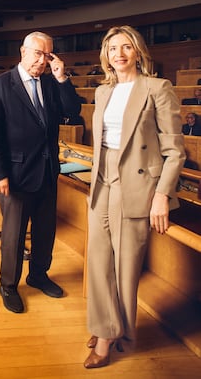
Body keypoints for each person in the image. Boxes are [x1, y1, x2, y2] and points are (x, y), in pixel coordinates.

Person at [84, 25, 185, 369]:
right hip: (102, 182)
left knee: (125, 267)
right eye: (113, 49)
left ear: (138, 52)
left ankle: (116, 334)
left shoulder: (158, 88)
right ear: (106, 56)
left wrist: (161, 196)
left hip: (137, 184)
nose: (119, 54)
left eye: (126, 47)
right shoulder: (102, 92)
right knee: (98, 262)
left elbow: (175, 150)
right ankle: (105, 328)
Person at [0, 31, 82, 313]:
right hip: (15, 176)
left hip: (47, 171)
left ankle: (38, 275)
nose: (42, 60)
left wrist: (62, 78)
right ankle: (8, 285)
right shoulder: (1, 86)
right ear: (23, 52)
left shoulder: (51, 83)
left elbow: (73, 111)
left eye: (47, 55)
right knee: (13, 235)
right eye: (37, 53)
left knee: (45, 231)